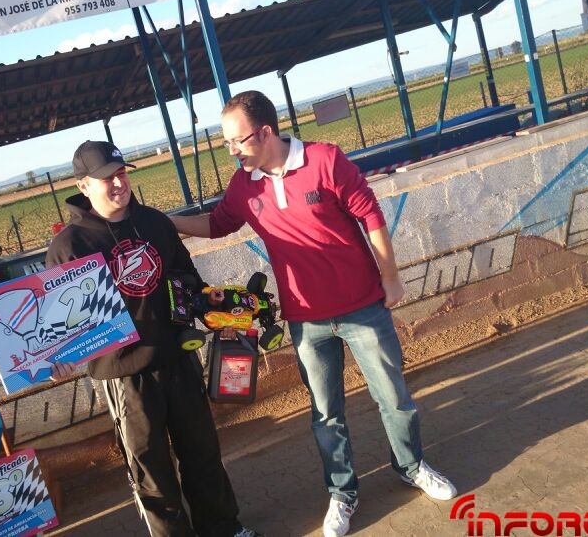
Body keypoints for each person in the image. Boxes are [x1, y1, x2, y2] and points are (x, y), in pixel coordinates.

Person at [170, 91, 457, 537]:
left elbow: (370, 214)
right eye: (225, 142)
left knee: (394, 398)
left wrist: (391, 278)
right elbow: (216, 224)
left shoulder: (324, 160)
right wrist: (167, 223)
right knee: (326, 414)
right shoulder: (244, 185)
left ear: (265, 132)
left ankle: (412, 466)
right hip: (306, 320)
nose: (231, 151)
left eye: (237, 141)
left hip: (363, 307)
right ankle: (342, 494)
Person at [46, 140, 260, 537]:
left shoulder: (155, 222)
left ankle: (224, 529)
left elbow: (187, 276)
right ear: (84, 186)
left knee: (203, 453)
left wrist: (213, 306)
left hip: (178, 355)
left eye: (121, 174)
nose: (118, 183)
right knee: (151, 470)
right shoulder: (69, 246)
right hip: (124, 374)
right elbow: (60, 326)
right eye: (107, 178)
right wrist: (57, 359)